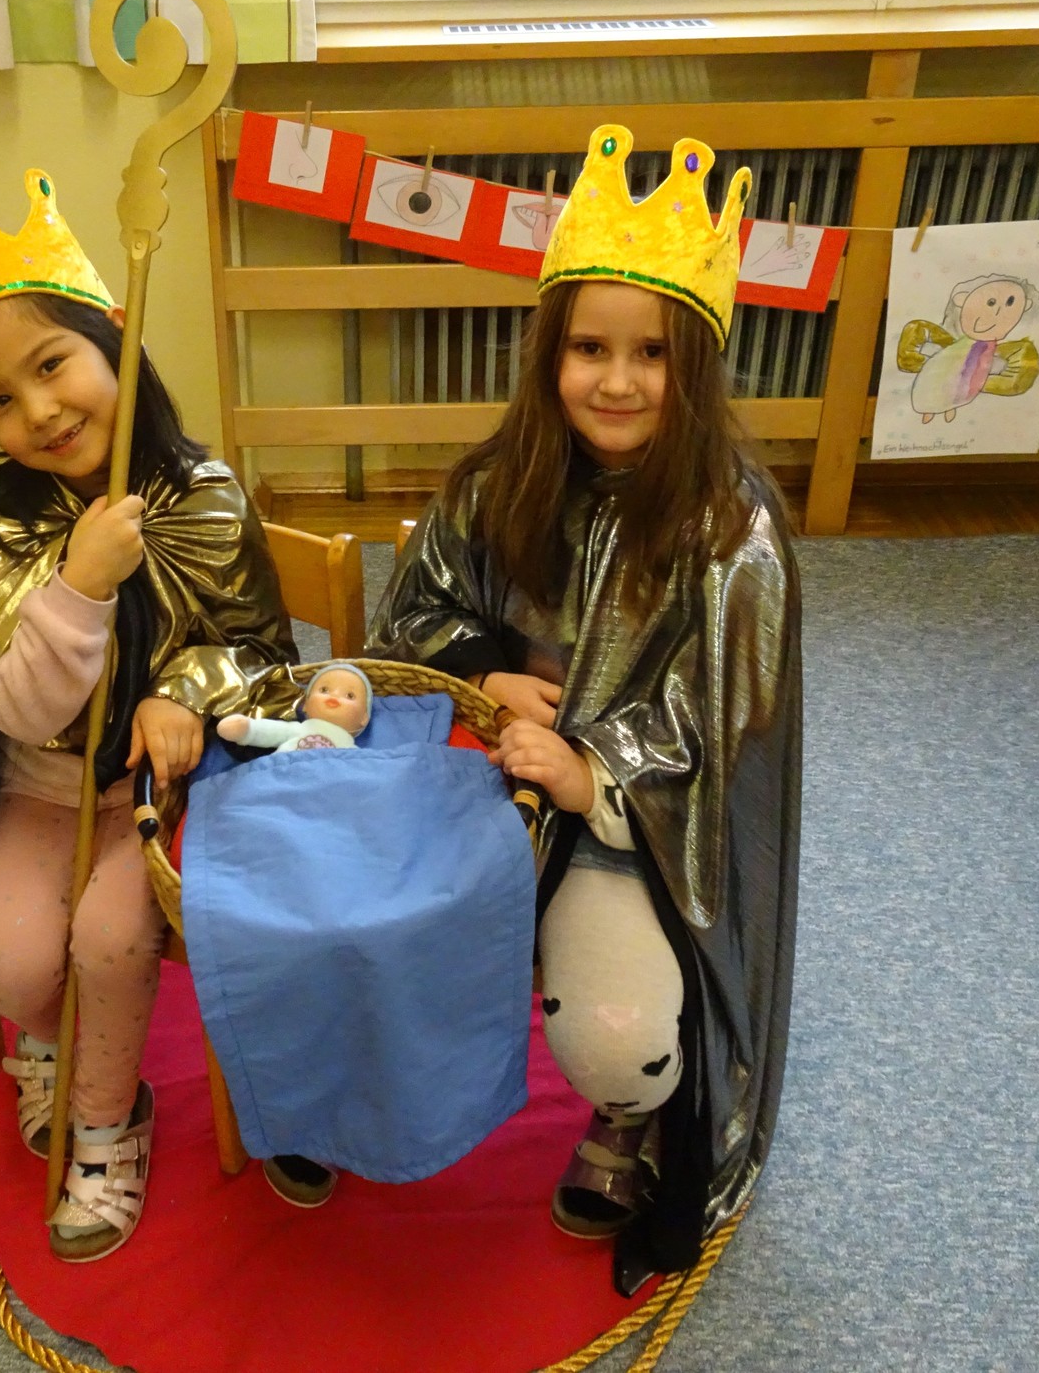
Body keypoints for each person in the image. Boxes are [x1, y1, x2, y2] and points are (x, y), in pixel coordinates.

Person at [367, 126, 801, 1296]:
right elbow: (416, 613)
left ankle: (632, 1113)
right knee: (350, 928)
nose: (617, 381)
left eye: (653, 354)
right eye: (589, 348)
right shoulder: (496, 481)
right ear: (549, 351)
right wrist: (486, 672)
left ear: (698, 366)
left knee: (619, 1036)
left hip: (627, 822)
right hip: (479, 775)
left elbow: (731, 733)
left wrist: (593, 770)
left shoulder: (731, 534)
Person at [0, 171, 298, 1262]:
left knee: (112, 942)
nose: (38, 411)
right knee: (16, 965)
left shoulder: (207, 497)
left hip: (163, 795)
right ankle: (48, 1046)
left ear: (114, 341)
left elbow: (266, 660)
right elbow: (14, 707)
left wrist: (183, 692)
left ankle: (108, 1124)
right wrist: (79, 583)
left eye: (52, 365)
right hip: (38, 791)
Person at [217, 662, 374, 752]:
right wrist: (246, 729)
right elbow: (268, 731)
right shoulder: (297, 729)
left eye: (350, 696)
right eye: (324, 690)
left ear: (364, 718)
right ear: (305, 705)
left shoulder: (353, 753)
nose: (334, 696)